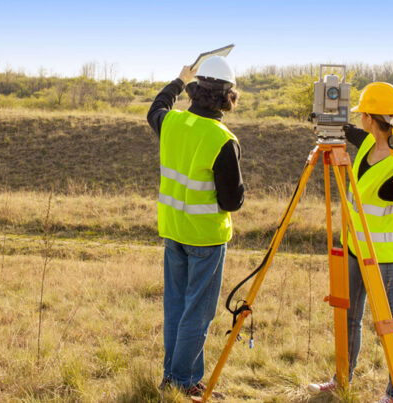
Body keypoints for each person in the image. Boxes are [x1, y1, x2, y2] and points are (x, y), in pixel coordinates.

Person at [307, 82, 393, 403]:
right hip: (354, 248)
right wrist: (323, 119)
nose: (359, 120)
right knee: (349, 317)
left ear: (369, 118)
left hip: (383, 258)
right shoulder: (366, 144)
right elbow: (346, 130)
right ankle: (341, 380)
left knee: (390, 325)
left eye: (361, 115)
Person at [146, 56, 244, 398]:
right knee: (197, 314)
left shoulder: (171, 123)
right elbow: (232, 201)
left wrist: (178, 80)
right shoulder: (223, 140)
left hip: (173, 231)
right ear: (227, 97)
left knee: (177, 308)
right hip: (205, 238)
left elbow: (155, 108)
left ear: (195, 90)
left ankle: (177, 375)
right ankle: (181, 381)